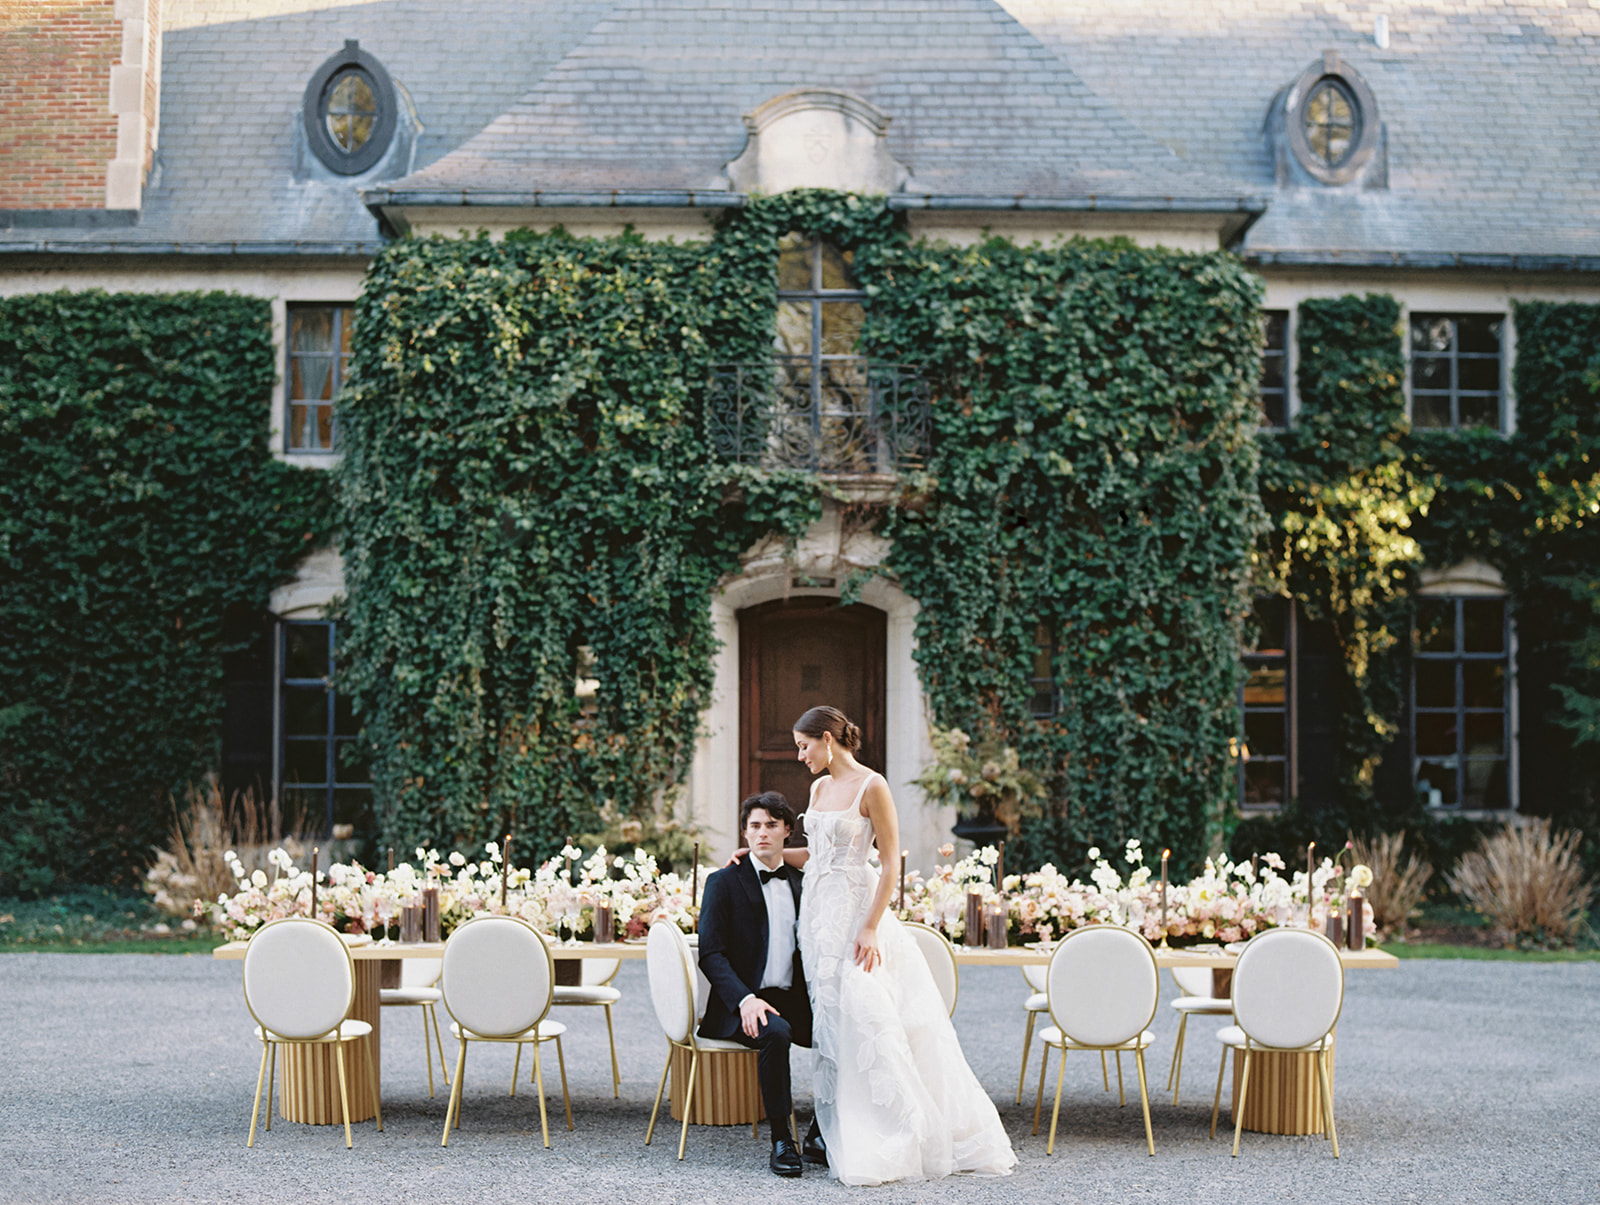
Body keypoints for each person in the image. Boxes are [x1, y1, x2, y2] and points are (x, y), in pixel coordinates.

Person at [791, 704, 1016, 1186]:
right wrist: (767, 854)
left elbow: (890, 863)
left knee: (864, 1012)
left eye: (804, 746)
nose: (800, 756)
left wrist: (870, 927)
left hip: (856, 914)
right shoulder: (818, 789)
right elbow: (816, 853)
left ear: (827, 739)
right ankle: (831, 1127)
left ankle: (896, 1126)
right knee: (829, 1017)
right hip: (817, 918)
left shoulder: (873, 786)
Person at [696, 792, 825, 1177]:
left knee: (844, 1027)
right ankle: (782, 1139)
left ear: (787, 831)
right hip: (743, 1002)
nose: (763, 832)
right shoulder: (722, 882)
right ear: (745, 833)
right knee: (776, 1033)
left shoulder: (803, 882)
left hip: (793, 997)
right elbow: (711, 955)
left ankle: (820, 1131)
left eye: (771, 825)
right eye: (755, 826)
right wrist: (745, 1000)